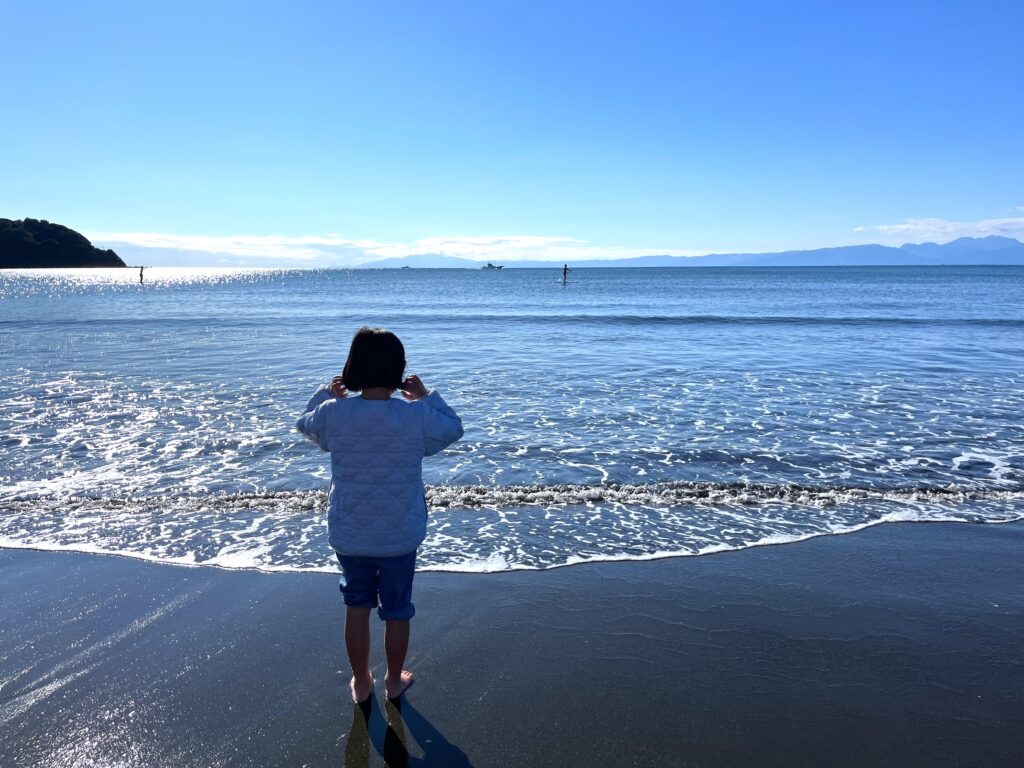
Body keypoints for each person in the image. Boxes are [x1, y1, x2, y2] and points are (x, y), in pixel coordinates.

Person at [296, 327, 464, 704]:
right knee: (397, 609)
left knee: (356, 605)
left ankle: (361, 682)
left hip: (350, 532)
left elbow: (305, 424)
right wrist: (427, 396)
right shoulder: (415, 416)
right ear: (399, 370)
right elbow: (454, 429)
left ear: (352, 367)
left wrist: (325, 393)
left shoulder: (334, 413)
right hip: (399, 534)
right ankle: (392, 681)